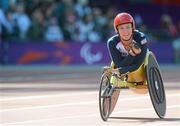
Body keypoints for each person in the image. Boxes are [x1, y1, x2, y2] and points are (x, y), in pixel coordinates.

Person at [105, 12, 148, 80]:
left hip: (139, 65)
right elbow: (119, 65)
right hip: (123, 63)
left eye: (128, 27)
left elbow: (138, 64)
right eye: (121, 28)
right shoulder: (112, 42)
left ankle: (115, 72)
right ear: (117, 30)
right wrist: (132, 54)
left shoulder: (141, 38)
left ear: (132, 27)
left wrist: (118, 71)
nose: (125, 31)